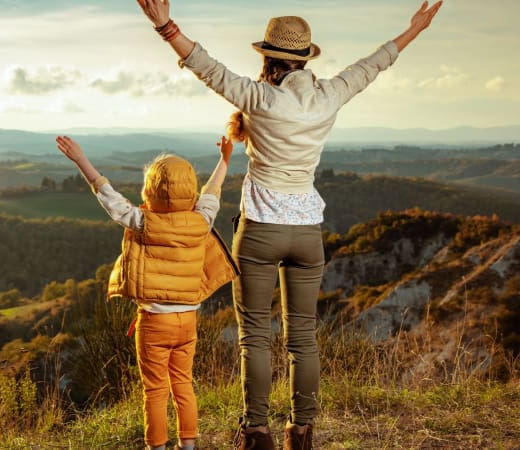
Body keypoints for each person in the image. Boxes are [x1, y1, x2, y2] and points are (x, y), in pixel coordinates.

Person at [135, 1, 444, 449]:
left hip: (260, 230)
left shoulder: (260, 98)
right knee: (303, 337)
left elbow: (206, 66)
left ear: (268, 57)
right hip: (306, 233)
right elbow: (375, 63)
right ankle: (301, 432)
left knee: (255, 338)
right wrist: (414, 29)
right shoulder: (330, 94)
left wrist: (165, 26)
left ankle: (256, 432)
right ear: (304, 58)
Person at [56, 135, 239, 450]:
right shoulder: (201, 221)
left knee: (154, 390)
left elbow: (110, 198)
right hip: (187, 322)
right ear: (189, 189)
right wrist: (225, 159)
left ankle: (156, 446)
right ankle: (188, 445)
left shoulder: (143, 222)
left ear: (150, 189)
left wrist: (81, 160)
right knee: (183, 384)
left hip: (154, 323)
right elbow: (212, 192)